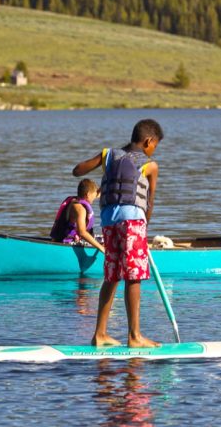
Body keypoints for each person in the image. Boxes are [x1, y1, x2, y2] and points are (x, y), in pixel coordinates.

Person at [72, 119, 164, 348]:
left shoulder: (108, 155)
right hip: (132, 221)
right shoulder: (151, 165)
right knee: (133, 277)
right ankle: (135, 336)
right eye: (155, 145)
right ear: (148, 141)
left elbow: (77, 171)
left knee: (112, 276)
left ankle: (100, 334)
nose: (154, 150)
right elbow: (149, 202)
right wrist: (145, 229)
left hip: (109, 221)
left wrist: (105, 159)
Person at [49, 178, 105, 253]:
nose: (96, 197)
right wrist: (101, 248)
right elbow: (82, 232)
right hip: (67, 242)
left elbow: (97, 193)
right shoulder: (80, 209)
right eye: (94, 194)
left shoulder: (75, 200)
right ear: (88, 194)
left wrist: (108, 181)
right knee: (107, 242)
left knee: (106, 239)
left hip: (73, 239)